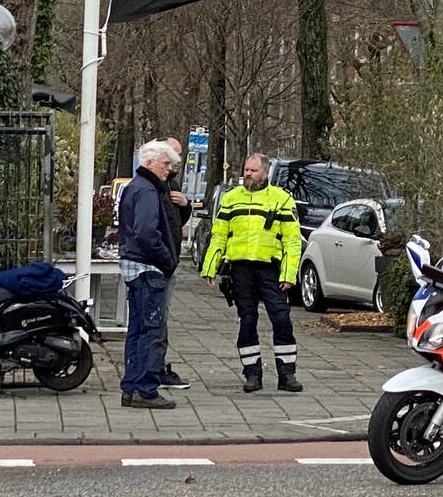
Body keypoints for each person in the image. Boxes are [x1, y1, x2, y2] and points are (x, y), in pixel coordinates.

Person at [202, 153, 303, 393]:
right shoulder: (231, 199)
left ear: (266, 173)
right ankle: (252, 374)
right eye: (246, 169)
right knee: (247, 321)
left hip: (270, 269)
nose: (247, 174)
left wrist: (289, 274)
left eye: (253, 170)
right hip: (241, 270)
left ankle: (287, 375)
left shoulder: (281, 199)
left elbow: (292, 240)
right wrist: (210, 267)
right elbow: (219, 236)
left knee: (281, 319)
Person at [116, 140, 181, 410]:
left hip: (135, 267)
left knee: (137, 330)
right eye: (166, 164)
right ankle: (146, 388)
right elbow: (146, 232)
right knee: (152, 330)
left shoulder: (135, 187)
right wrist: (167, 259)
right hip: (148, 268)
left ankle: (131, 387)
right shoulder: (147, 191)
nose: (169, 170)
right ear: (150, 162)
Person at [157, 136, 194, 391]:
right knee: (156, 317)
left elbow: (177, 221)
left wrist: (186, 205)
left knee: (160, 316)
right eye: (173, 156)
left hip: (168, 260)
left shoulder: (171, 183)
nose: (176, 162)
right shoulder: (155, 185)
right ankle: (154, 368)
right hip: (160, 262)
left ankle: (155, 366)